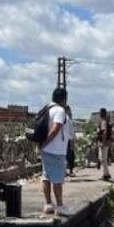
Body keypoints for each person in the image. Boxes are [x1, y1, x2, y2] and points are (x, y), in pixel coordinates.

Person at [40, 88, 71, 216]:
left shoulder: (47, 108)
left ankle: (48, 204)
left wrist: (42, 145)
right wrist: (46, 142)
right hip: (56, 150)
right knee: (57, 179)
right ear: (64, 99)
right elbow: (56, 128)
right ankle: (59, 206)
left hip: (46, 150)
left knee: (46, 177)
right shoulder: (60, 110)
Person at [97, 108, 113, 181]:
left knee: (103, 159)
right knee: (103, 158)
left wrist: (103, 143)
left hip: (104, 142)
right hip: (106, 142)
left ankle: (106, 174)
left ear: (102, 113)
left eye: (100, 113)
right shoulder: (105, 122)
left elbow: (104, 133)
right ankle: (106, 173)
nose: (99, 114)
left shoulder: (103, 122)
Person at [64, 105, 77, 177]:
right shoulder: (68, 119)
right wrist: (73, 140)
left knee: (65, 156)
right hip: (69, 140)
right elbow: (71, 131)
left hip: (64, 140)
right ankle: (70, 171)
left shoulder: (63, 118)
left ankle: (65, 171)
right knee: (70, 156)